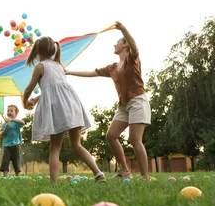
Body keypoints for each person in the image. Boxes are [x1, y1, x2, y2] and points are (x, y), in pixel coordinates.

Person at [65, 21, 151, 180]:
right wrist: (69, 72)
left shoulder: (132, 59)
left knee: (134, 139)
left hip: (138, 101)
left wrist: (123, 29)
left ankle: (145, 176)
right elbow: (92, 73)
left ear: (125, 46)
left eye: (117, 42)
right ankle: (125, 171)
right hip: (124, 105)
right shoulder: (112, 67)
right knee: (111, 135)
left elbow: (134, 46)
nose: (114, 45)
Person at [22, 36, 106, 184]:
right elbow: (56, 89)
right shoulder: (59, 66)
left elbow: (29, 89)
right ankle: (98, 173)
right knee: (77, 145)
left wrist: (24, 102)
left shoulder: (40, 67)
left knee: (55, 147)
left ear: (37, 51)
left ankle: (54, 184)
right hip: (72, 106)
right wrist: (39, 97)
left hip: (58, 110)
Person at [0, 105, 24, 177]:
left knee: (16, 161)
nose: (9, 112)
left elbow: (23, 122)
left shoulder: (16, 123)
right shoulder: (4, 124)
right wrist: (6, 128)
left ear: (16, 114)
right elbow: (2, 134)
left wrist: (12, 120)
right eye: (8, 111)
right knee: (5, 161)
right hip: (6, 145)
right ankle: (5, 176)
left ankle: (17, 176)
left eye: (11, 111)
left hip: (16, 145)